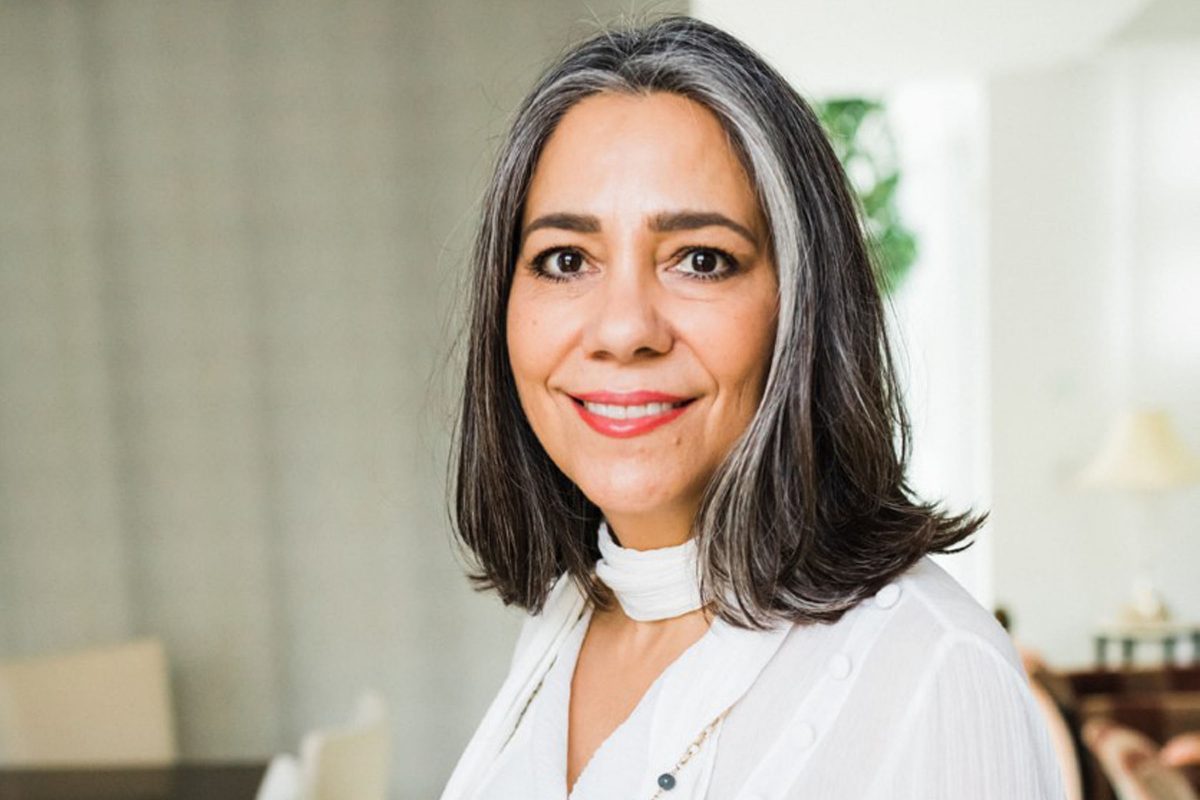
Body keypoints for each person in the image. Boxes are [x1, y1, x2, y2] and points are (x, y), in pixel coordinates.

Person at [440, 13, 1066, 800]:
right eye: (566, 260)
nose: (625, 328)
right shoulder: (569, 615)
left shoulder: (933, 673)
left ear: (801, 306)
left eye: (701, 260)